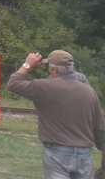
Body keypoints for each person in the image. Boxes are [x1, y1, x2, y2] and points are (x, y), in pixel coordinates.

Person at [7, 50, 105, 179]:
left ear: (53, 70)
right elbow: (99, 126)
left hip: (57, 152)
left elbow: (13, 84)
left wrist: (27, 65)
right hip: (84, 154)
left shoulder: (44, 87)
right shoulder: (89, 91)